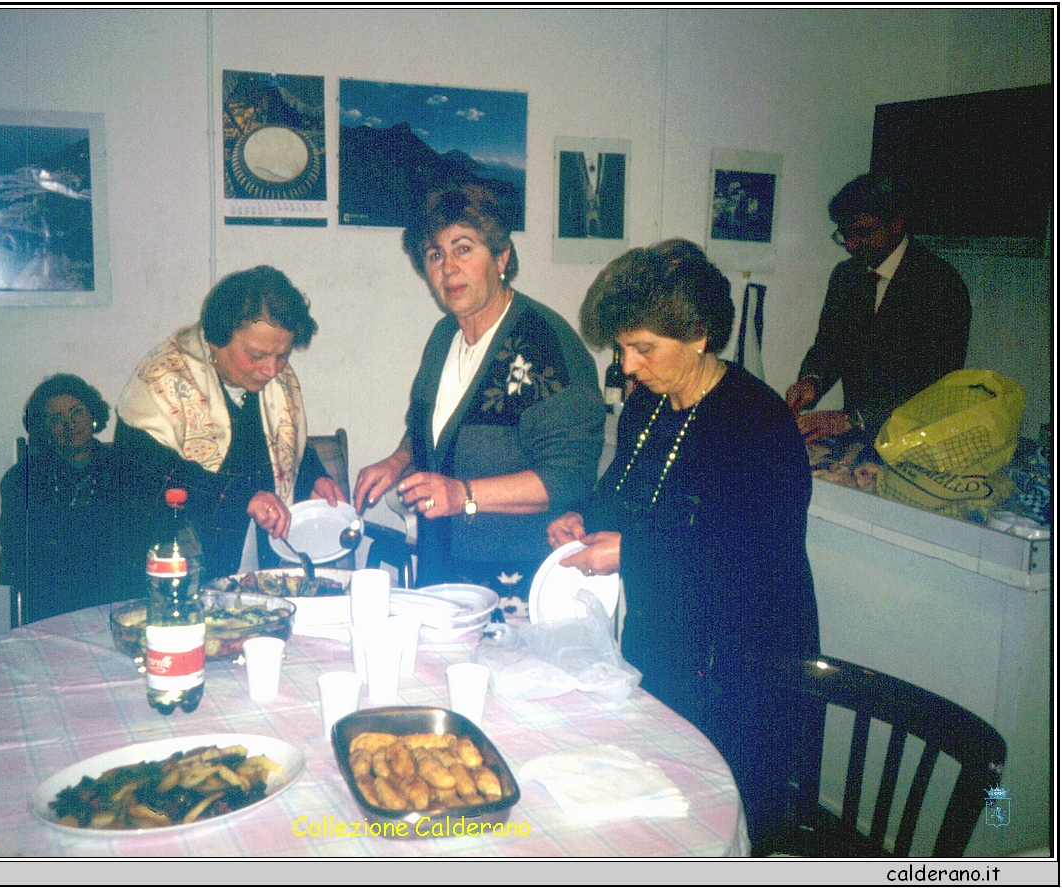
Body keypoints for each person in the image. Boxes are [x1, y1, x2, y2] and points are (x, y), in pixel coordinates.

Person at [549, 239, 819, 851]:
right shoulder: (650, 402)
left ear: (698, 335)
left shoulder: (757, 423)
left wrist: (630, 553)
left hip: (739, 663)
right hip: (666, 639)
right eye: (622, 348)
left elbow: (744, 560)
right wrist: (580, 515)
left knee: (714, 818)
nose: (628, 367)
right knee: (655, 809)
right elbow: (623, 485)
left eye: (642, 348)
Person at [353, 182, 604, 600]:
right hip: (442, 566)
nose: (448, 267)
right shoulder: (443, 337)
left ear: (501, 256)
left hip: (517, 579)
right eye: (435, 255)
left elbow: (569, 478)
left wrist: (463, 494)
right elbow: (429, 430)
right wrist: (397, 461)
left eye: (463, 248)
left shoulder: (546, 343)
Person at [114, 265, 344, 581]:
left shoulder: (277, 381)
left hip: (257, 566)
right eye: (257, 355)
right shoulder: (162, 381)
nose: (271, 370)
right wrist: (242, 498)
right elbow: (148, 479)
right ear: (219, 337)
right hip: (179, 569)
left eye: (283, 356)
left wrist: (313, 478)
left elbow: (285, 451)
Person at [786, 173, 971, 443]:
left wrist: (854, 418)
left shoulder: (940, 283)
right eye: (845, 234)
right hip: (856, 437)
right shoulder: (846, 276)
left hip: (912, 437)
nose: (850, 245)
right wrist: (812, 380)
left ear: (896, 224)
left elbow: (935, 380)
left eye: (862, 233)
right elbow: (830, 345)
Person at [0, 374, 125, 625]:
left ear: (92, 415)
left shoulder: (123, 469)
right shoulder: (22, 479)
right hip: (54, 595)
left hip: (113, 590)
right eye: (56, 419)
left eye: (76, 412)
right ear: (45, 429)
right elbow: (17, 547)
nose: (70, 424)